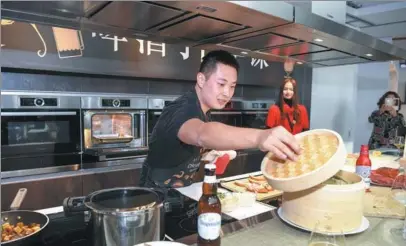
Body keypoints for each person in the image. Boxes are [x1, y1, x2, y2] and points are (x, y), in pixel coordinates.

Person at [140, 50, 301, 190]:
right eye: (221, 84)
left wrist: (206, 156)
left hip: (180, 199)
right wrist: (260, 137)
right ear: (201, 80)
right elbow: (202, 133)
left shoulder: (202, 108)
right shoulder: (182, 109)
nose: (227, 93)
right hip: (157, 207)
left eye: (232, 86)